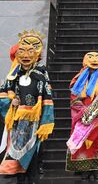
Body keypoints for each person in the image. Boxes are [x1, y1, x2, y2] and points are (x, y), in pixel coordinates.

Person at [0, 30, 54, 184]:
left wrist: (46, 121)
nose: (26, 55)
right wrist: (11, 102)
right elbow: (2, 94)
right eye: (22, 50)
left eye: (31, 50)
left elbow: (47, 98)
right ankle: (20, 178)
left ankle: (32, 178)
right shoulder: (13, 76)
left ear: (36, 54)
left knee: (32, 152)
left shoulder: (40, 75)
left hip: (34, 120)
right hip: (17, 120)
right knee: (16, 151)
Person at [66, 52, 98, 181]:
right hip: (83, 116)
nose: (94, 61)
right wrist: (82, 109)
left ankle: (97, 169)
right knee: (83, 144)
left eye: (97, 58)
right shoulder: (78, 79)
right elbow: (74, 97)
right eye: (90, 58)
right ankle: (84, 170)